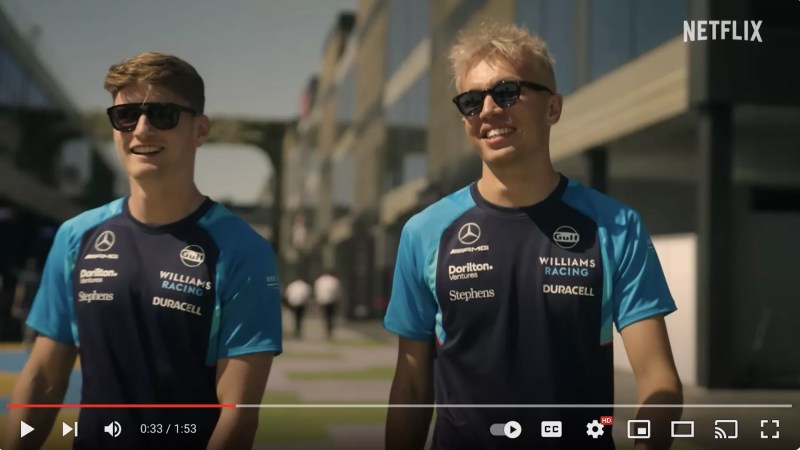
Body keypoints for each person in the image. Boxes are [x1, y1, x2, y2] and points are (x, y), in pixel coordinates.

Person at [384, 22, 682, 450]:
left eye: (506, 92)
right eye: (471, 101)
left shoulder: (616, 226)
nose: (487, 111)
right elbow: (411, 388)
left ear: (553, 108)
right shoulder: (424, 232)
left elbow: (659, 380)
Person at [5, 52, 282, 450]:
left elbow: (236, 417)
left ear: (200, 130)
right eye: (126, 116)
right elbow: (43, 380)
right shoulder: (75, 236)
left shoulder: (242, 250)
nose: (142, 130)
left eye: (163, 114)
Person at [11, 257, 40, 349]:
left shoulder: (32, 275)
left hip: (30, 303)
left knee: (27, 323)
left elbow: (20, 291)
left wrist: (16, 304)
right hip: (29, 303)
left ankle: (27, 340)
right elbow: (20, 291)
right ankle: (28, 339)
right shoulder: (35, 275)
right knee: (28, 322)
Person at [313, 270, 341, 340]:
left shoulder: (319, 280)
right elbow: (337, 291)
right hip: (332, 300)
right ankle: (329, 329)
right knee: (330, 316)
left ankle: (327, 328)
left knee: (326, 315)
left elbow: (317, 291)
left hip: (323, 301)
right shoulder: (334, 280)